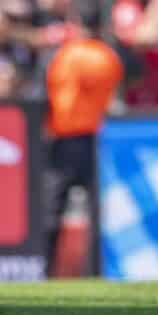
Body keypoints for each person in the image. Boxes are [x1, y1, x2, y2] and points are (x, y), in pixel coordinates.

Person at [44, 36, 124, 277]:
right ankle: (98, 270)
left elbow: (47, 90)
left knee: (52, 209)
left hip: (64, 137)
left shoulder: (64, 55)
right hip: (94, 137)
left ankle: (47, 270)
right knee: (98, 210)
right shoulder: (107, 56)